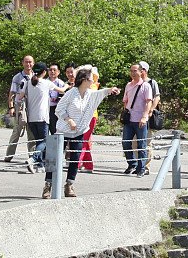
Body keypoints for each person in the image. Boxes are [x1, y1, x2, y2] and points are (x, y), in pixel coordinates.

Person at [47, 67, 120, 198]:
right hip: (63, 131)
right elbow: (59, 109)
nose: (93, 79)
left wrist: (111, 90)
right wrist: (69, 120)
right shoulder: (71, 93)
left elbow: (102, 92)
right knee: (55, 159)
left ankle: (69, 185)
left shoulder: (90, 93)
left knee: (75, 159)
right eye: (91, 77)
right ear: (84, 79)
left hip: (80, 131)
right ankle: (48, 184)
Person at [122, 63, 155, 177]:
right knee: (126, 143)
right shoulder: (128, 85)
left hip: (140, 119)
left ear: (141, 72)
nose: (133, 73)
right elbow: (125, 101)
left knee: (141, 144)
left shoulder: (146, 86)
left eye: (135, 70)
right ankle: (132, 164)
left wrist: (145, 116)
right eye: (131, 71)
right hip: (129, 119)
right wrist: (124, 113)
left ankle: (141, 168)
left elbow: (148, 102)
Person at [4, 55, 35, 162]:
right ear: (22, 63)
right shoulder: (17, 77)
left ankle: (32, 156)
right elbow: (12, 93)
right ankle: (9, 154)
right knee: (17, 130)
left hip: (32, 107)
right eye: (26, 62)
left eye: (30, 62)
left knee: (31, 132)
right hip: (20, 106)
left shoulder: (35, 77)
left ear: (33, 63)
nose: (28, 64)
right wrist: (11, 106)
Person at [24, 63, 54, 172]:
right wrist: (68, 85)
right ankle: (33, 159)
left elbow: (20, 95)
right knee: (45, 141)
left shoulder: (28, 82)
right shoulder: (46, 83)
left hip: (31, 117)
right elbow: (61, 90)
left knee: (38, 141)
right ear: (44, 72)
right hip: (42, 117)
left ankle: (40, 165)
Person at [138, 60, 161, 126]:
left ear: (145, 70)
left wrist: (151, 110)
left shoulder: (152, 82)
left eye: (140, 69)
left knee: (147, 134)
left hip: (148, 114)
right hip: (137, 114)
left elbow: (157, 97)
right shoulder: (135, 83)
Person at [47, 63, 69, 132]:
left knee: (55, 130)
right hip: (45, 108)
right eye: (50, 70)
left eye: (54, 70)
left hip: (56, 108)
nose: (52, 72)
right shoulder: (44, 82)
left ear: (58, 72)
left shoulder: (62, 83)